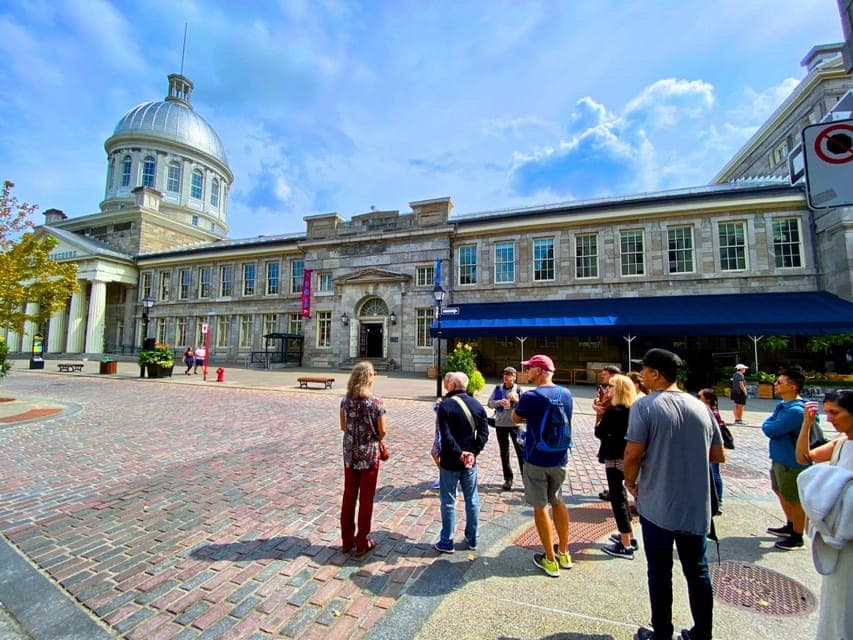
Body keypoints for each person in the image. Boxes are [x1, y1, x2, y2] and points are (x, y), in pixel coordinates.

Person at [624, 348, 724, 640]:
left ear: (656, 373)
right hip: (695, 505)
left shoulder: (645, 406)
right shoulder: (700, 407)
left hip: (658, 503)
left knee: (659, 572)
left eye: (644, 370)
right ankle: (702, 633)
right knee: (698, 571)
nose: (641, 375)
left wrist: (630, 483)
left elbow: (632, 454)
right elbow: (718, 455)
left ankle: (662, 633)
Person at [795, 389, 853, 639]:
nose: (829, 419)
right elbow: (804, 458)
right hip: (837, 538)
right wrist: (807, 425)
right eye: (827, 412)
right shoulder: (841, 442)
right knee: (836, 600)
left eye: (835, 413)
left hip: (848, 534)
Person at [512, 354, 574, 577]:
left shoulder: (531, 396)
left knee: (540, 507)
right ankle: (564, 552)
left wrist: (517, 403)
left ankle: (549, 558)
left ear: (538, 371)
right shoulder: (566, 393)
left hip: (536, 458)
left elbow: (515, 418)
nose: (527, 371)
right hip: (560, 457)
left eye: (529, 368)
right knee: (558, 501)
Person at [433, 371, 489, 554]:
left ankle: (446, 541)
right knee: (471, 499)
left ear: (453, 385)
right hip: (469, 462)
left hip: (450, 460)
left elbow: (446, 435)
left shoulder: (446, 405)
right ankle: (473, 538)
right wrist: (473, 452)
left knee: (448, 501)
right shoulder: (477, 405)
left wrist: (459, 453)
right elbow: (484, 433)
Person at [339, 361, 386, 557]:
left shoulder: (345, 401)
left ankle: (347, 540)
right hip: (369, 456)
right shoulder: (375, 402)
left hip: (350, 454)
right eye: (373, 374)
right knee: (366, 499)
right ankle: (361, 542)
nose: (374, 377)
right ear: (368, 378)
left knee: (349, 496)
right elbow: (382, 431)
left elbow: (343, 426)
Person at [760, 367, 810, 551]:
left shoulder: (796, 411)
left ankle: (797, 536)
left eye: (779, 382)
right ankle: (790, 524)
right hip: (779, 458)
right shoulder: (783, 405)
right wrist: (769, 424)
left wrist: (768, 425)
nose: (776, 384)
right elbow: (769, 424)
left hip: (791, 461)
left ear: (792, 386)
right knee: (780, 491)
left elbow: (771, 428)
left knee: (793, 498)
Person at [595, 374, 638, 560]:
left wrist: (599, 414)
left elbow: (599, 432)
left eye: (611, 386)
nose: (608, 389)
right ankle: (629, 536)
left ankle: (625, 544)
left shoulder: (614, 411)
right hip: (628, 457)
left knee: (617, 499)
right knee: (623, 496)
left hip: (614, 457)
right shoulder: (633, 409)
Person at [487, 366, 524, 491]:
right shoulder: (498, 388)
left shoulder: (518, 389)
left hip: (516, 425)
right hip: (501, 424)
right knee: (504, 452)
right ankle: (508, 479)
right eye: (505, 374)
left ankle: (526, 480)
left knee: (521, 452)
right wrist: (499, 403)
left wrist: (516, 400)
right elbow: (489, 403)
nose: (506, 376)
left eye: (509, 374)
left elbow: (525, 406)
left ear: (514, 377)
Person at [593, 364, 621, 501]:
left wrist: (597, 406)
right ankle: (614, 489)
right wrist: (597, 402)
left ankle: (615, 491)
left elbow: (605, 407)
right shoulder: (608, 389)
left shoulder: (617, 391)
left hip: (611, 434)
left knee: (614, 465)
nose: (602, 377)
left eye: (605, 374)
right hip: (606, 429)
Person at [698, 388, 726, 513]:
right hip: (709, 446)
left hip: (711, 447)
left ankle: (718, 500)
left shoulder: (711, 413)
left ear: (708, 400)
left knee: (714, 474)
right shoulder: (709, 411)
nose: (697, 399)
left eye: (699, 397)